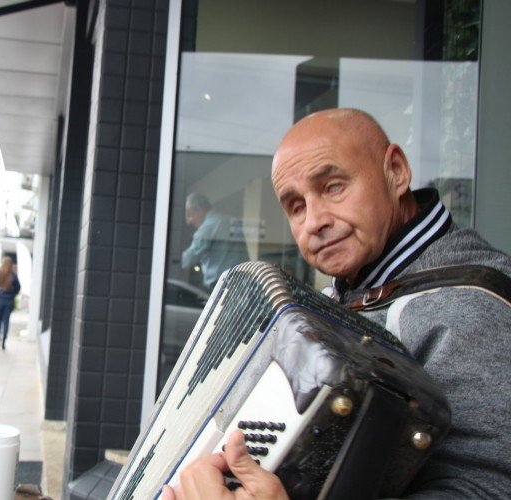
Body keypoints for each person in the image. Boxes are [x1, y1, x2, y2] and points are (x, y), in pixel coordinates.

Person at [163, 108, 511, 499]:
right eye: (296, 206)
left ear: (395, 171)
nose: (314, 221)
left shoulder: (470, 307)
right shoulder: (334, 299)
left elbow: (487, 488)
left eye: (332, 187)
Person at [181, 193, 249, 290]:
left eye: (189, 215)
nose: (188, 221)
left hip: (220, 285)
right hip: (241, 282)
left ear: (200, 210)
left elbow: (188, 260)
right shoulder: (230, 221)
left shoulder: (208, 227)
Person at [0, 256, 21, 350]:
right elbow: (18, 288)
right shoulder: (13, 275)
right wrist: (11, 293)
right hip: (9, 301)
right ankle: (4, 341)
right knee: (6, 321)